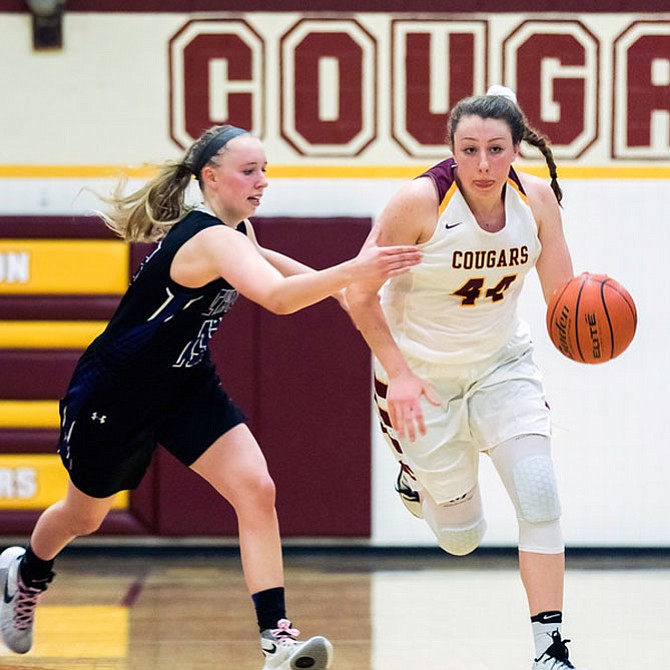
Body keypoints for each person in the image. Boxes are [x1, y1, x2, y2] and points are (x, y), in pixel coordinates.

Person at [0, 125, 421, 669]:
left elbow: (262, 255)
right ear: (211, 178)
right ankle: (26, 571)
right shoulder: (208, 238)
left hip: (185, 384)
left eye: (265, 169)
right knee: (85, 516)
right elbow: (275, 298)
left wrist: (337, 287)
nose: (263, 181)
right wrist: (355, 271)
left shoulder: (233, 228)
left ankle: (277, 638)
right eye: (250, 171)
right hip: (117, 394)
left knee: (256, 488)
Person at [345, 87, 585, 670]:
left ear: (516, 150)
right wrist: (397, 374)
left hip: (502, 365)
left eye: (496, 149)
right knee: (461, 537)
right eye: (469, 149)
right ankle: (415, 475)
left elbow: (564, 303)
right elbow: (356, 292)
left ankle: (548, 650)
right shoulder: (418, 204)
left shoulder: (537, 204)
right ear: (451, 149)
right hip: (421, 379)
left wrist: (590, 327)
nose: (482, 164)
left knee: (539, 490)